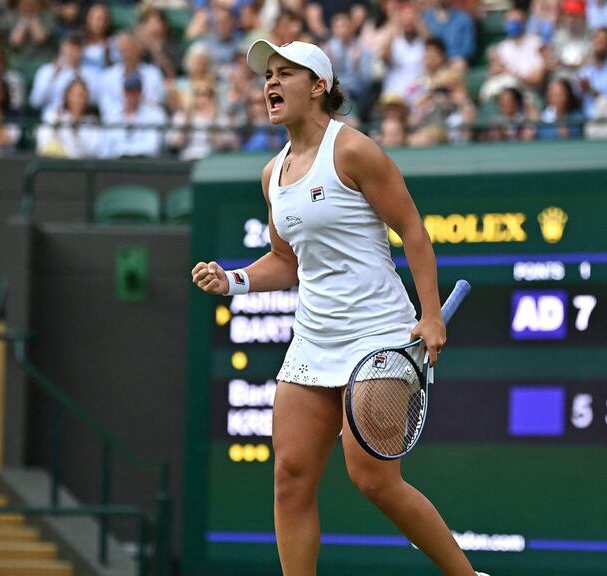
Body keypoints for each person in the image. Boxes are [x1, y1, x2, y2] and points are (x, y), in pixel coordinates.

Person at [191, 39, 490, 576]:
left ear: (319, 86)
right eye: (268, 75)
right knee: (289, 478)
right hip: (314, 339)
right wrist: (232, 280)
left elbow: (414, 232)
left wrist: (431, 314)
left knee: (373, 479)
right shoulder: (272, 175)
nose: (271, 83)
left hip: (379, 336)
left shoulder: (353, 150)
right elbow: (285, 261)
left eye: (286, 73)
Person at [29, 32, 100, 117]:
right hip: (52, 119)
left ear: (83, 50)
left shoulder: (91, 73)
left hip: (82, 119)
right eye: (70, 46)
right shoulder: (46, 71)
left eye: (77, 47)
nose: (73, 51)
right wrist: (53, 76)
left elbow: (96, 101)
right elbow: (35, 102)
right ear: (62, 47)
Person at [101, 73, 166, 158]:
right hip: (116, 166)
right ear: (123, 93)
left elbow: (151, 148)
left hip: (144, 164)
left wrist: (122, 150)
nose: (132, 96)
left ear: (141, 93)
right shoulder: (111, 116)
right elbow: (105, 150)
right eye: (129, 92)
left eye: (136, 92)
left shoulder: (155, 115)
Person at [36, 77, 103, 157]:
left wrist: (76, 134)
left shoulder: (93, 122)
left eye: (81, 95)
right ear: (66, 96)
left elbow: (95, 150)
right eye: (74, 95)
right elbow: (43, 144)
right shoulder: (53, 115)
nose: (77, 100)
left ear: (87, 99)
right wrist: (56, 124)